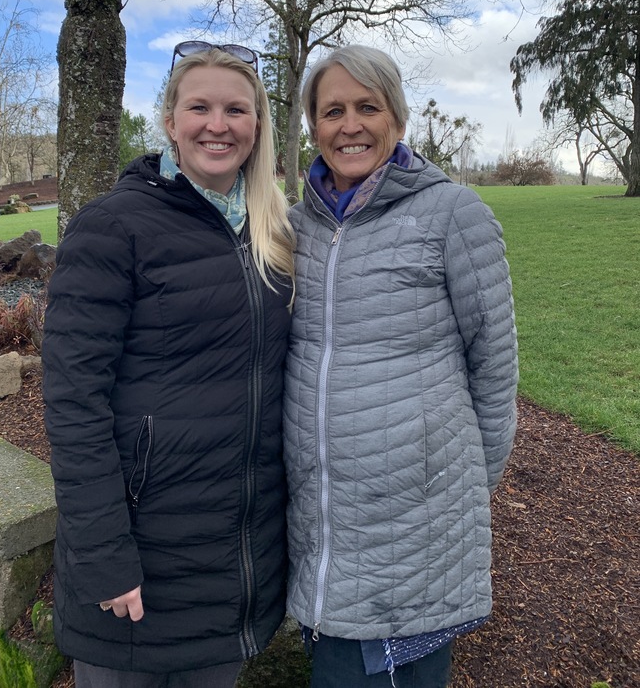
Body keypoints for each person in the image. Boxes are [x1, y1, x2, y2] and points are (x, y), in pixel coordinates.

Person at [42, 42, 295, 688]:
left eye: (236, 108)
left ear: (258, 124)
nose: (219, 123)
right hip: (136, 570)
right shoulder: (112, 226)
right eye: (200, 106)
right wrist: (104, 557)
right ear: (169, 119)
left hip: (231, 573)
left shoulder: (276, 234)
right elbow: (74, 403)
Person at [283, 45, 518, 688]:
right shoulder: (294, 226)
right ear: (313, 126)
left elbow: (495, 371)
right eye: (332, 110)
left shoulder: (453, 215)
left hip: (419, 526)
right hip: (324, 520)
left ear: (398, 119)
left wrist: (454, 482)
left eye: (368, 107)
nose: (349, 125)